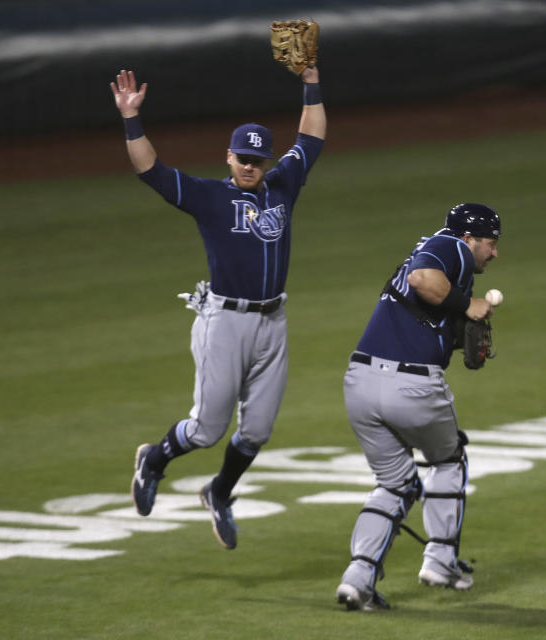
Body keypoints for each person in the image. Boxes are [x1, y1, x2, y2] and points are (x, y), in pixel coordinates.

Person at [110, 65, 327, 549]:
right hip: (225, 321)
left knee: (258, 431)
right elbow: (151, 172)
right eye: (242, 157)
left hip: (273, 321)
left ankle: (219, 492)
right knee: (208, 430)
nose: (250, 165)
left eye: (257, 159)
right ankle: (155, 460)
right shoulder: (209, 197)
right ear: (228, 156)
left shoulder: (283, 186)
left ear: (267, 161)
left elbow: (311, 137)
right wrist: (131, 119)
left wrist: (310, 80)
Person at [335, 203, 502, 610]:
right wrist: (467, 306)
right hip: (410, 387)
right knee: (449, 459)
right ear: (469, 239)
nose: (494, 254)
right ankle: (440, 560)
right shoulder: (451, 246)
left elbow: (422, 302)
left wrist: (453, 331)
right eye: (490, 244)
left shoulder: (434, 251)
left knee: (395, 483)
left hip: (359, 382)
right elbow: (424, 279)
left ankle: (357, 580)